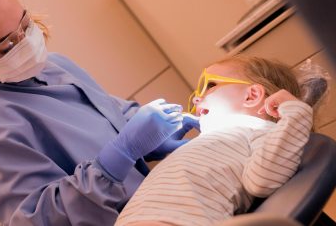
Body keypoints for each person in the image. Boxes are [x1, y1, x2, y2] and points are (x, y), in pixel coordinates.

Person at [0, 0, 199, 226]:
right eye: (6, 46)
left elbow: (113, 117)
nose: (26, 42)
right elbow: (42, 219)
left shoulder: (57, 66)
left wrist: (155, 136)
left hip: (158, 208)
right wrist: (117, 158)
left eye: (26, 24)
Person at [115, 55, 328, 226]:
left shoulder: (259, 131)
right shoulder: (217, 140)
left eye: (210, 85)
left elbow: (264, 181)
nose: (196, 98)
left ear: (252, 96)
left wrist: (297, 115)